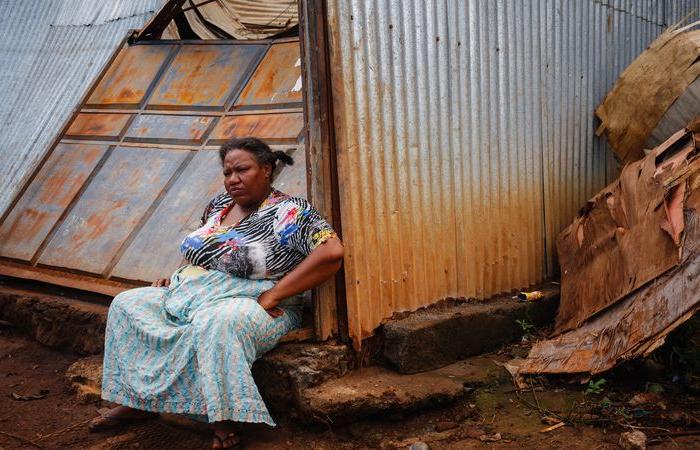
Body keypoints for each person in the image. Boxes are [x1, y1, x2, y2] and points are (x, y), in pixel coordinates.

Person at [88, 137, 344, 449]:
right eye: (227, 172)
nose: (233, 179)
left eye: (242, 170)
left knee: (216, 322)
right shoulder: (219, 205)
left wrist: (275, 294)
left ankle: (221, 417)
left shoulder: (289, 212)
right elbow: (203, 248)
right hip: (193, 292)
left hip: (254, 301)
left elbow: (331, 253)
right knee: (129, 304)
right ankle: (138, 401)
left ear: (266, 169)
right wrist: (177, 277)